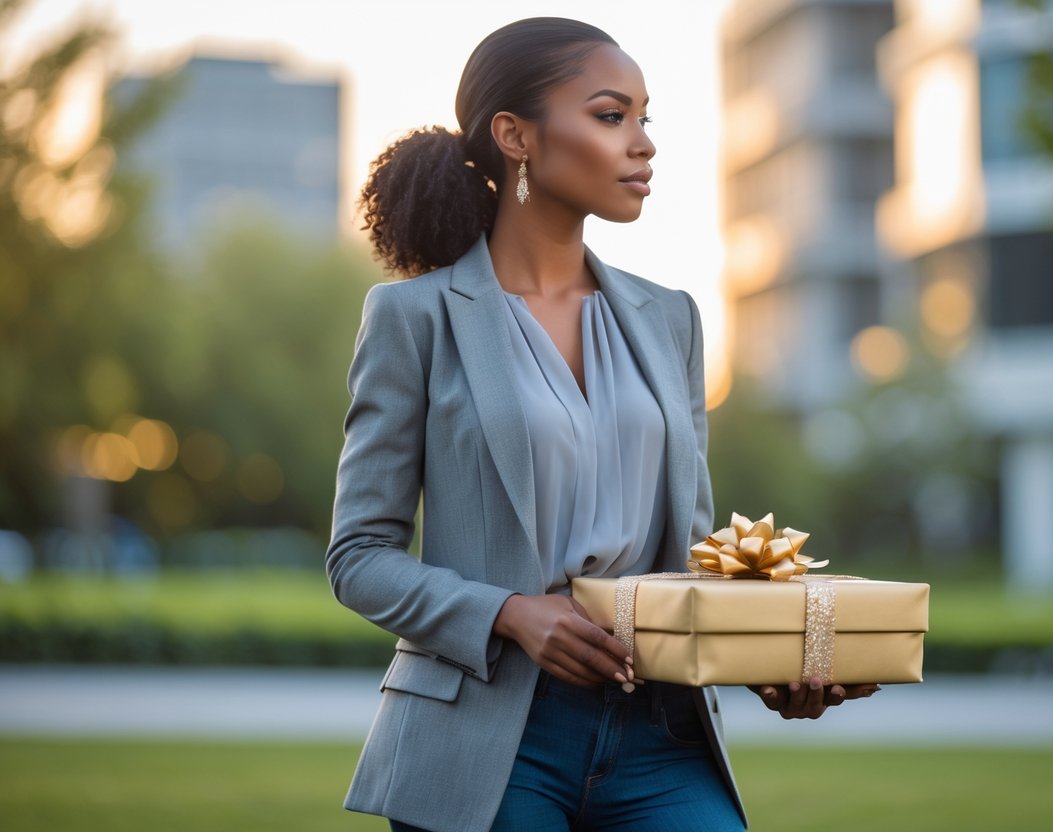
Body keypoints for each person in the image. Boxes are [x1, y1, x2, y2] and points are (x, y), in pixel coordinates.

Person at [327, 17, 875, 832]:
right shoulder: (416, 318)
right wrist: (509, 612)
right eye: (612, 115)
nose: (643, 144)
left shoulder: (671, 320)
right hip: (489, 738)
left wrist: (766, 658)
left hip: (660, 734)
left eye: (645, 119)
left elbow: (688, 556)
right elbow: (358, 557)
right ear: (515, 136)